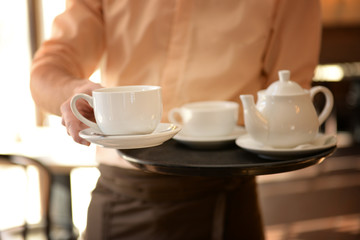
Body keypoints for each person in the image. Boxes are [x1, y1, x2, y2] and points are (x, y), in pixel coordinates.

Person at [30, 0, 322, 239]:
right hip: (127, 198)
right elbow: (47, 70)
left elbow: (289, 92)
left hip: (230, 199)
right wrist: (74, 91)